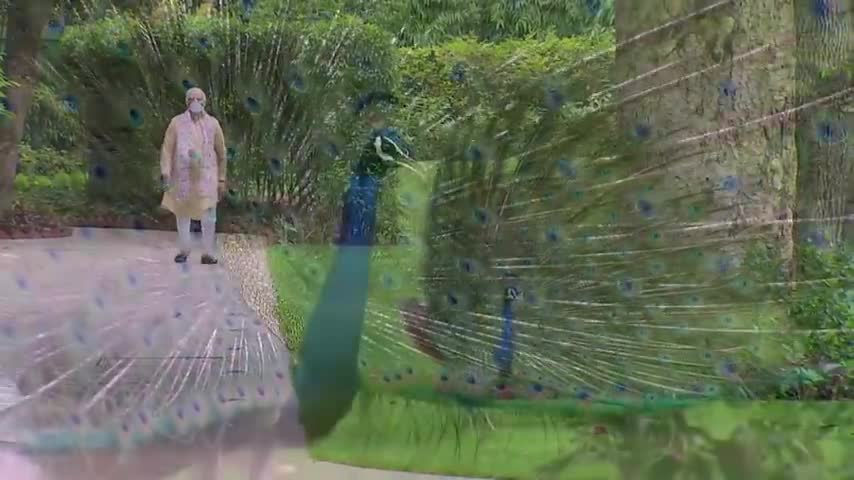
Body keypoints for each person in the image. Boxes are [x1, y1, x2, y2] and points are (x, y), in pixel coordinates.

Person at [159, 87, 227, 265]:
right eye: (191, 99)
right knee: (183, 215)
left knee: (209, 215)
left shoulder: (213, 124)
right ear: (186, 102)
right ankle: (184, 250)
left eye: (199, 98)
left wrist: (221, 179)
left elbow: (222, 153)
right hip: (183, 177)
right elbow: (167, 149)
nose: (195, 102)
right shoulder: (176, 123)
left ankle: (208, 253)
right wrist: (165, 173)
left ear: (205, 102)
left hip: (207, 177)